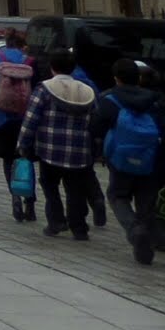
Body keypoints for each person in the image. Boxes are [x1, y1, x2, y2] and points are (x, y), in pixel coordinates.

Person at [91, 56, 165, 265]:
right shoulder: (156, 100)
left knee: (118, 196)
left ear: (117, 78)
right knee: (146, 202)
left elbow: (95, 128)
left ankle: (135, 230)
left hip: (120, 159)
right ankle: (147, 236)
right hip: (151, 159)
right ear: (138, 78)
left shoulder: (109, 99)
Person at [16, 49, 98, 239]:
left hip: (49, 148)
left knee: (50, 185)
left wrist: (23, 144)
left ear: (52, 67)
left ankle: (56, 221)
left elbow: (31, 119)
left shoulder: (44, 88)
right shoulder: (87, 91)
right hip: (80, 150)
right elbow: (96, 121)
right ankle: (79, 227)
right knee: (75, 189)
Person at [0, 29, 38, 222]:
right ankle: (30, 202)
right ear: (23, 44)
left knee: (8, 160)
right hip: (26, 118)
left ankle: (14, 197)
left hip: (2, 117)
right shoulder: (30, 61)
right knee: (26, 159)